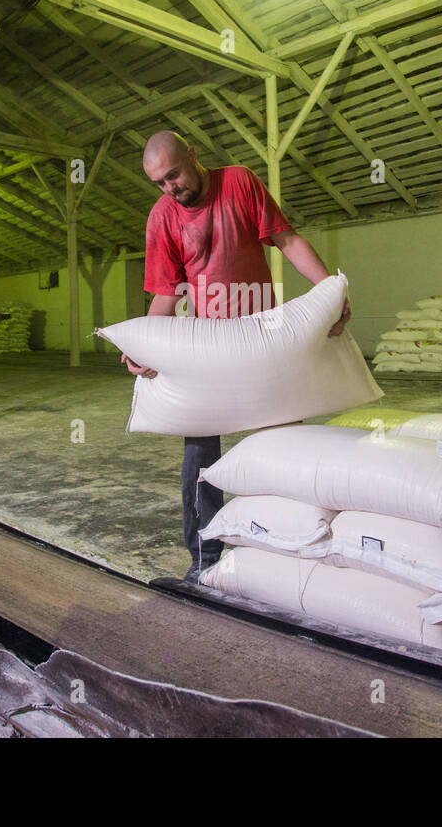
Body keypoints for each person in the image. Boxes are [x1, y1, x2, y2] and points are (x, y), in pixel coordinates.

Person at [121, 131, 350, 581]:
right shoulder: (162, 217)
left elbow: (288, 241)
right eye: (159, 183)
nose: (171, 188)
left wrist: (332, 289)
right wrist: (143, 345)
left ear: (192, 155)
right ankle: (204, 559)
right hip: (209, 347)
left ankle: (294, 547)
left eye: (174, 175)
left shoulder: (240, 183)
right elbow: (166, 296)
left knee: (285, 443)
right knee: (199, 455)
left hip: (263, 339)